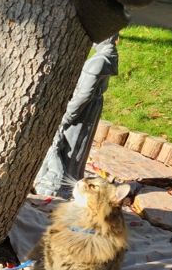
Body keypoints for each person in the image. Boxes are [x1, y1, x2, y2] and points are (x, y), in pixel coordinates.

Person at [33, 35, 118, 198]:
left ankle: (57, 185)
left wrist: (65, 116)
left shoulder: (98, 62)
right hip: (90, 108)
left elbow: (83, 96)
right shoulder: (108, 56)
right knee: (76, 147)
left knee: (68, 146)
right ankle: (67, 180)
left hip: (81, 112)